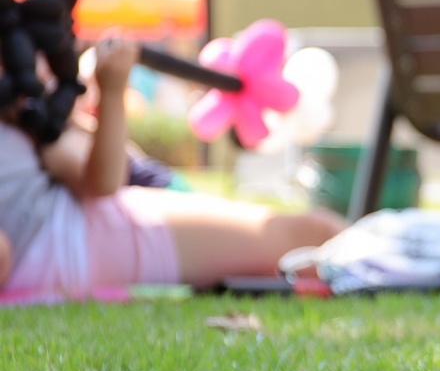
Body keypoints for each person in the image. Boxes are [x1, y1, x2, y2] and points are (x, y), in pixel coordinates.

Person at [0, 34, 345, 296]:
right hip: (75, 241)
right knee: (316, 236)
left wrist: (105, 96)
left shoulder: (30, 121)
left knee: (318, 233)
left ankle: (371, 250)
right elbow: (103, 182)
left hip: (86, 228)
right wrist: (111, 93)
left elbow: (102, 178)